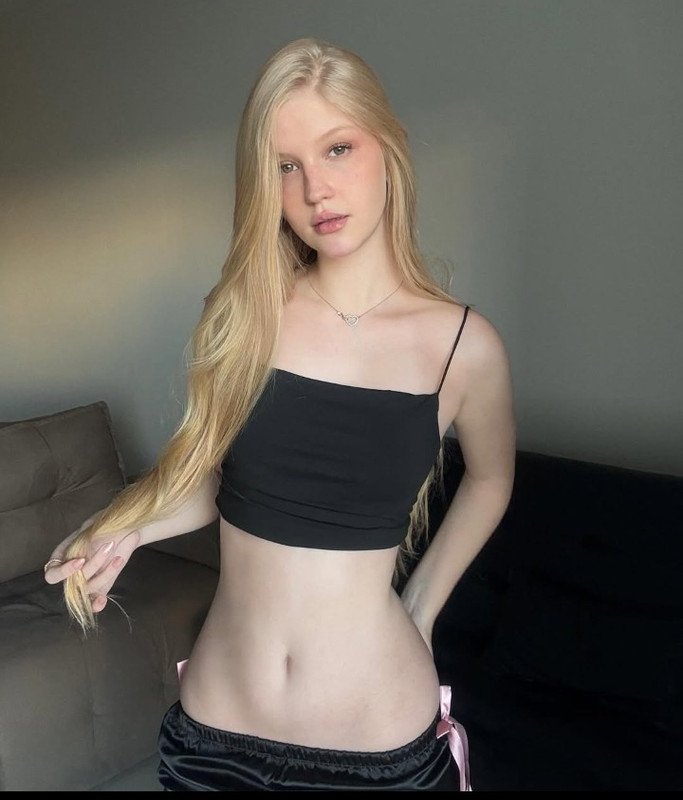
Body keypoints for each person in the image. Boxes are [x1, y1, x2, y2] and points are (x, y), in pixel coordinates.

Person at [44, 37, 516, 791]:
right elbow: (225, 487)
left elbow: (491, 479)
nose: (315, 189)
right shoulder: (245, 316)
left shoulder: (464, 345)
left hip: (378, 747)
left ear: (388, 148)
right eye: (284, 166)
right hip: (216, 734)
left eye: (337, 149)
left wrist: (422, 606)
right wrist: (129, 525)